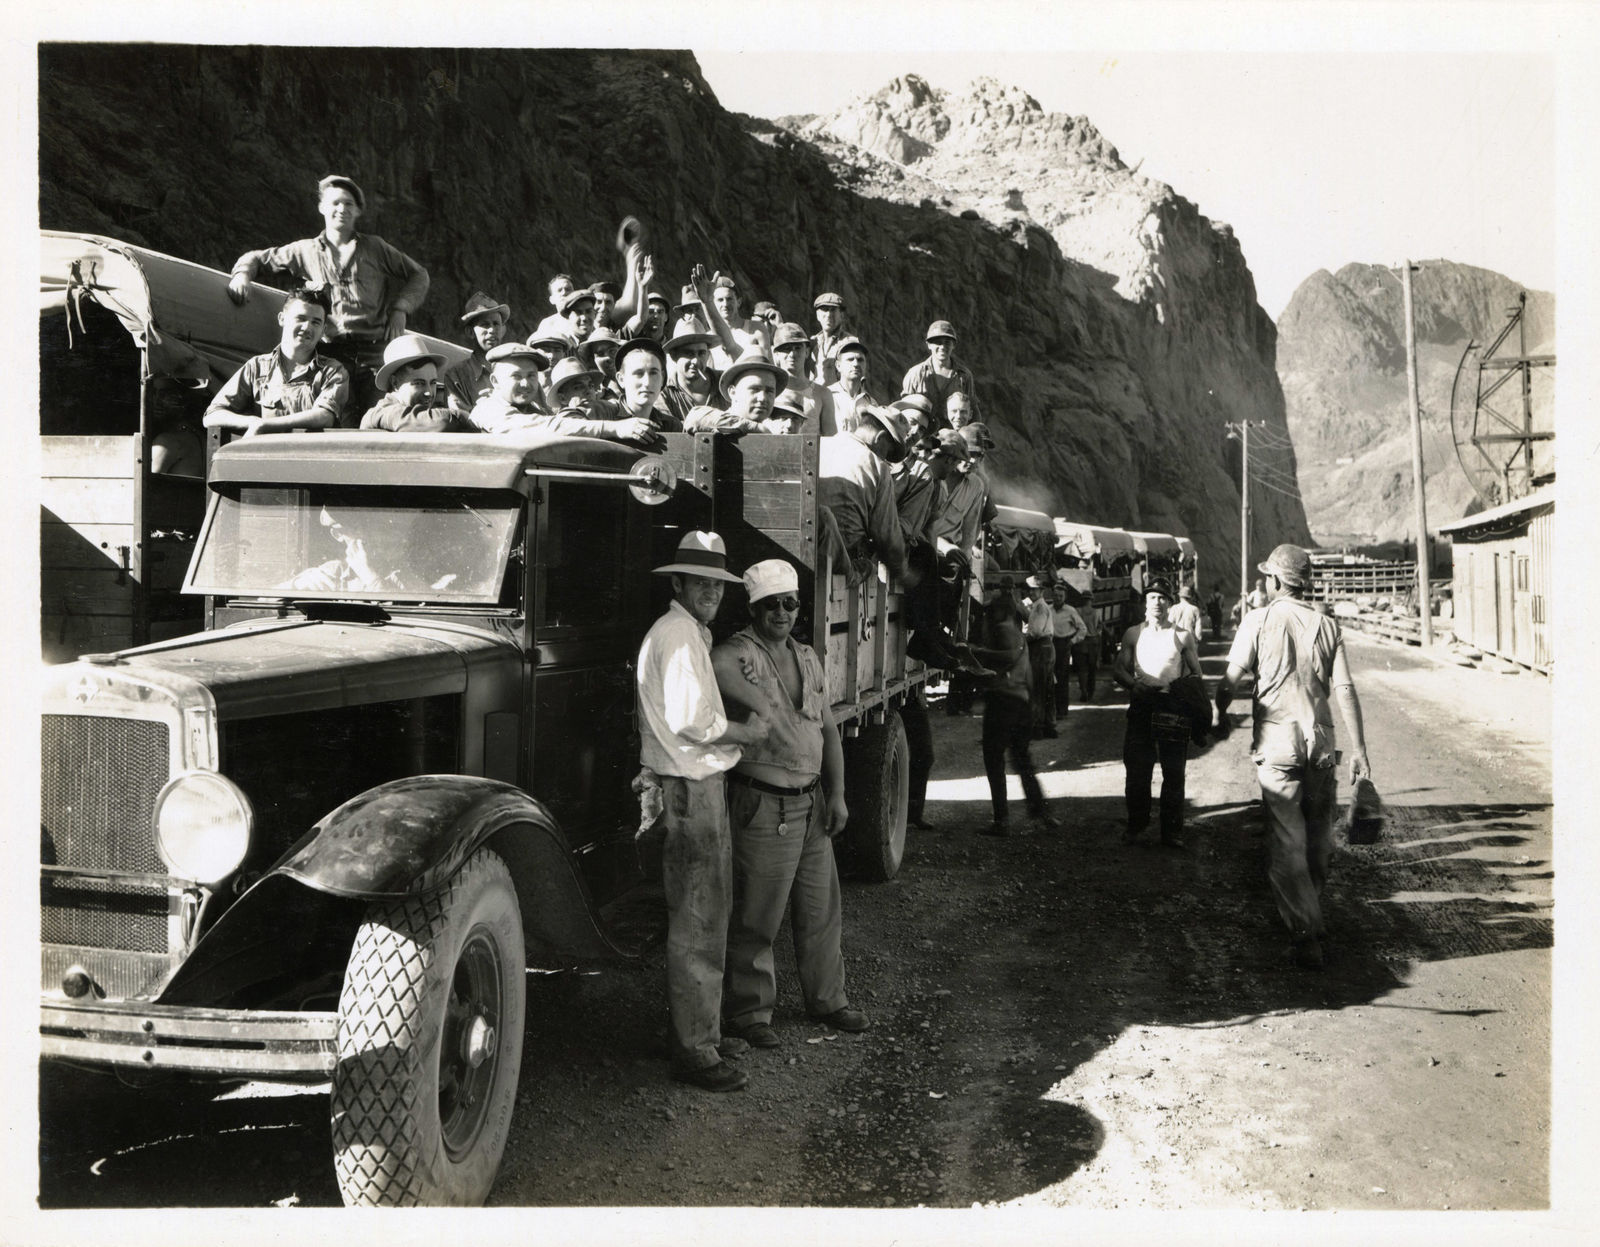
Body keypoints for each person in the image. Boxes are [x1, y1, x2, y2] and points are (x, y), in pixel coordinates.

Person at [711, 559, 867, 1049]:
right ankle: (750, 1013)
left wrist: (837, 794)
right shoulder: (739, 652)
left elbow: (827, 731)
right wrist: (761, 701)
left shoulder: (808, 655)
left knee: (821, 910)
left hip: (810, 806)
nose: (781, 612)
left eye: (789, 603)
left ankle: (828, 1000)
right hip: (763, 805)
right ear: (753, 608)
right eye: (770, 604)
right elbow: (713, 666)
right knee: (757, 915)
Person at [636, 531, 771, 1092]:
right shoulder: (681, 636)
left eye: (718, 583)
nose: (711, 591)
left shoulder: (682, 631)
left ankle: (700, 1033)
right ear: (679, 584)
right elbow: (696, 720)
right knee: (700, 920)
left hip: (689, 786)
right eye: (702, 582)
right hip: (691, 789)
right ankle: (696, 1051)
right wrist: (748, 730)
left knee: (702, 915)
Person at [1215, 544, 1371, 970]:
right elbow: (1345, 690)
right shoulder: (1327, 626)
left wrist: (1217, 711)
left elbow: (1230, 680)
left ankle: (1306, 933)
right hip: (1320, 745)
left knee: (1287, 841)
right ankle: (1312, 913)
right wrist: (1359, 750)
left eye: (1269, 577)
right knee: (1319, 836)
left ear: (1278, 582)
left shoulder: (1258, 620)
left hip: (1278, 745)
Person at [227, 175, 428, 421]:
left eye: (348, 204)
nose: (341, 209)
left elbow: (419, 274)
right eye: (335, 203)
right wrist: (242, 276)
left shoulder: (376, 248)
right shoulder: (304, 251)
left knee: (380, 420)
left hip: (374, 355)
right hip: (331, 356)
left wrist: (401, 308)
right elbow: (258, 258)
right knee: (337, 422)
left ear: (357, 211)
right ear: (322, 207)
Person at [1113, 577, 1203, 849]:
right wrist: (1134, 686)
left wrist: (1179, 691)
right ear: (1145, 603)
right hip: (1142, 706)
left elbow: (1196, 673)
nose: (1157, 602)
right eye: (1152, 597)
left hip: (1171, 706)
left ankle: (1171, 832)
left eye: (1163, 598)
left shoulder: (1181, 636)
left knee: (1174, 772)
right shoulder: (1133, 634)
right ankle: (1136, 825)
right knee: (1137, 769)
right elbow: (1119, 669)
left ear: (1170, 604)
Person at [968, 582, 1058, 837]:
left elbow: (1006, 657)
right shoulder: (1019, 632)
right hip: (1021, 702)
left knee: (994, 759)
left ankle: (1002, 820)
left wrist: (978, 652)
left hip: (1002, 701)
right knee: (1022, 759)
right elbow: (1027, 675)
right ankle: (1040, 811)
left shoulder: (1003, 630)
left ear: (999, 612)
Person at [204, 285, 348, 440]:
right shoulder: (257, 368)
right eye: (300, 318)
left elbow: (324, 416)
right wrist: (252, 422)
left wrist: (265, 425)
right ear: (282, 319)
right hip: (264, 458)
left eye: (316, 322)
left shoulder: (332, 371)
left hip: (311, 459)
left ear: (323, 330)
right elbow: (212, 415)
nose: (307, 327)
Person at [819, 406, 909, 586]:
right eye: (888, 452)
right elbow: (887, 537)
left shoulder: (820, 444)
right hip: (844, 561)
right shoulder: (876, 465)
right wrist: (902, 571)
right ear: (880, 437)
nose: (886, 458)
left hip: (811, 545)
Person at [528, 337, 667, 446]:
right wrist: (616, 428)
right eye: (638, 373)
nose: (647, 382)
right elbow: (560, 424)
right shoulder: (602, 411)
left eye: (654, 373)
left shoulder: (670, 424)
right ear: (621, 379)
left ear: (662, 378)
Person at [360, 334, 467, 432]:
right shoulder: (380, 413)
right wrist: (468, 417)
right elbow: (442, 421)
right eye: (419, 383)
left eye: (433, 383)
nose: (429, 392)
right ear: (395, 383)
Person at [684, 346, 784, 435]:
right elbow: (695, 418)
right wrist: (757, 428)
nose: (762, 398)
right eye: (755, 389)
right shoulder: (711, 421)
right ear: (733, 392)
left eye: (769, 391)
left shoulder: (773, 433)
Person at [443, 291, 511, 417]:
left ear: (502, 330)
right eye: (485, 325)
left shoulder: (515, 368)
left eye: (496, 324)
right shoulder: (456, 375)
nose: (491, 330)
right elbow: (462, 419)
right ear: (470, 332)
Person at [900, 319, 977, 429]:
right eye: (938, 342)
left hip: (953, 439)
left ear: (953, 345)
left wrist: (974, 437)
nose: (942, 347)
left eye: (947, 342)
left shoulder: (964, 376)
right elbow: (904, 409)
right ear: (928, 345)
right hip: (922, 436)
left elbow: (973, 409)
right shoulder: (915, 374)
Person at [468, 342, 552, 434]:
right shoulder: (487, 409)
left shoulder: (536, 409)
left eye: (531, 376)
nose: (525, 384)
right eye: (516, 376)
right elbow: (539, 428)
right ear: (495, 381)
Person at [770, 323, 837, 436]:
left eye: (798, 348)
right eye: (786, 349)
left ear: (806, 352)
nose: (792, 354)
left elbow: (830, 441)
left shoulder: (822, 394)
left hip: (810, 453)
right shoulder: (769, 391)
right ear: (776, 354)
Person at [659, 316, 725, 427]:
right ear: (674, 356)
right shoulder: (664, 391)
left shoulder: (724, 382)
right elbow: (668, 428)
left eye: (701, 353)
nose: (695, 361)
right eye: (689, 353)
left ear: (708, 354)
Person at [1023, 575, 1058, 739]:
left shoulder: (1039, 608)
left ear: (1041, 591)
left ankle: (1038, 727)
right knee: (1047, 687)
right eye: (1029, 589)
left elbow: (1035, 632)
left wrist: (1020, 640)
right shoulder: (1038, 606)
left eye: (1034, 589)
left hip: (1041, 648)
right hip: (1045, 647)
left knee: (1038, 687)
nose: (1031, 592)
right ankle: (1049, 726)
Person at [1050, 579, 1089, 719]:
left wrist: (1072, 641)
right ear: (1052, 596)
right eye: (1055, 595)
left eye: (1061, 596)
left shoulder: (1070, 611)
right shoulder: (1048, 610)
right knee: (1050, 677)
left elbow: (1083, 629)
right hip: (1050, 644)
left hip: (1064, 645)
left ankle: (1062, 710)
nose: (1058, 598)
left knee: (1062, 678)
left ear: (1065, 597)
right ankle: (1051, 710)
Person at [826, 336, 876, 433]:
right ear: (838, 366)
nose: (856, 364)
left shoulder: (871, 403)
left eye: (860, 360)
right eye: (850, 359)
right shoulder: (826, 396)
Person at [810, 292, 849, 386]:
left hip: (837, 398)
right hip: (814, 397)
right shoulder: (813, 342)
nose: (828, 315)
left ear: (842, 315)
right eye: (825, 309)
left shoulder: (849, 343)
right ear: (817, 315)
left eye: (833, 310)